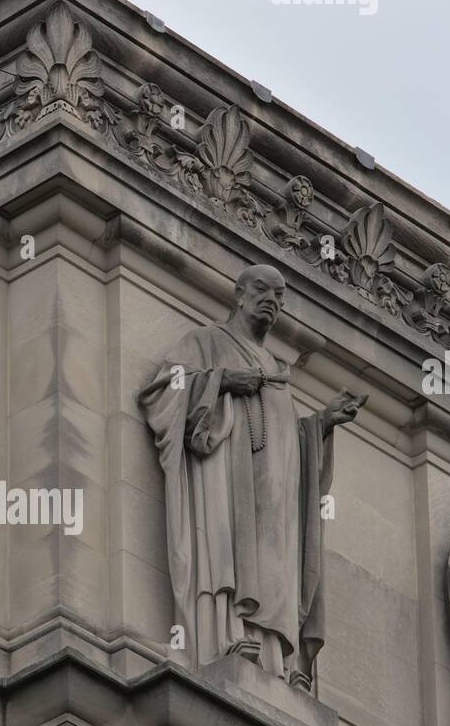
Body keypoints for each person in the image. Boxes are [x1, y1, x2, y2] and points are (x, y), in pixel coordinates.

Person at [139, 263, 365, 687]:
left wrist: (320, 425)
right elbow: (159, 393)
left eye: (280, 296)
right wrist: (220, 381)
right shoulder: (205, 343)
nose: (272, 301)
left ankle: (275, 662)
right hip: (224, 483)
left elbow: (286, 447)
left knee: (274, 567)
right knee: (227, 552)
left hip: (271, 503)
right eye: (262, 290)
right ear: (238, 294)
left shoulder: (278, 371)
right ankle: (223, 636)